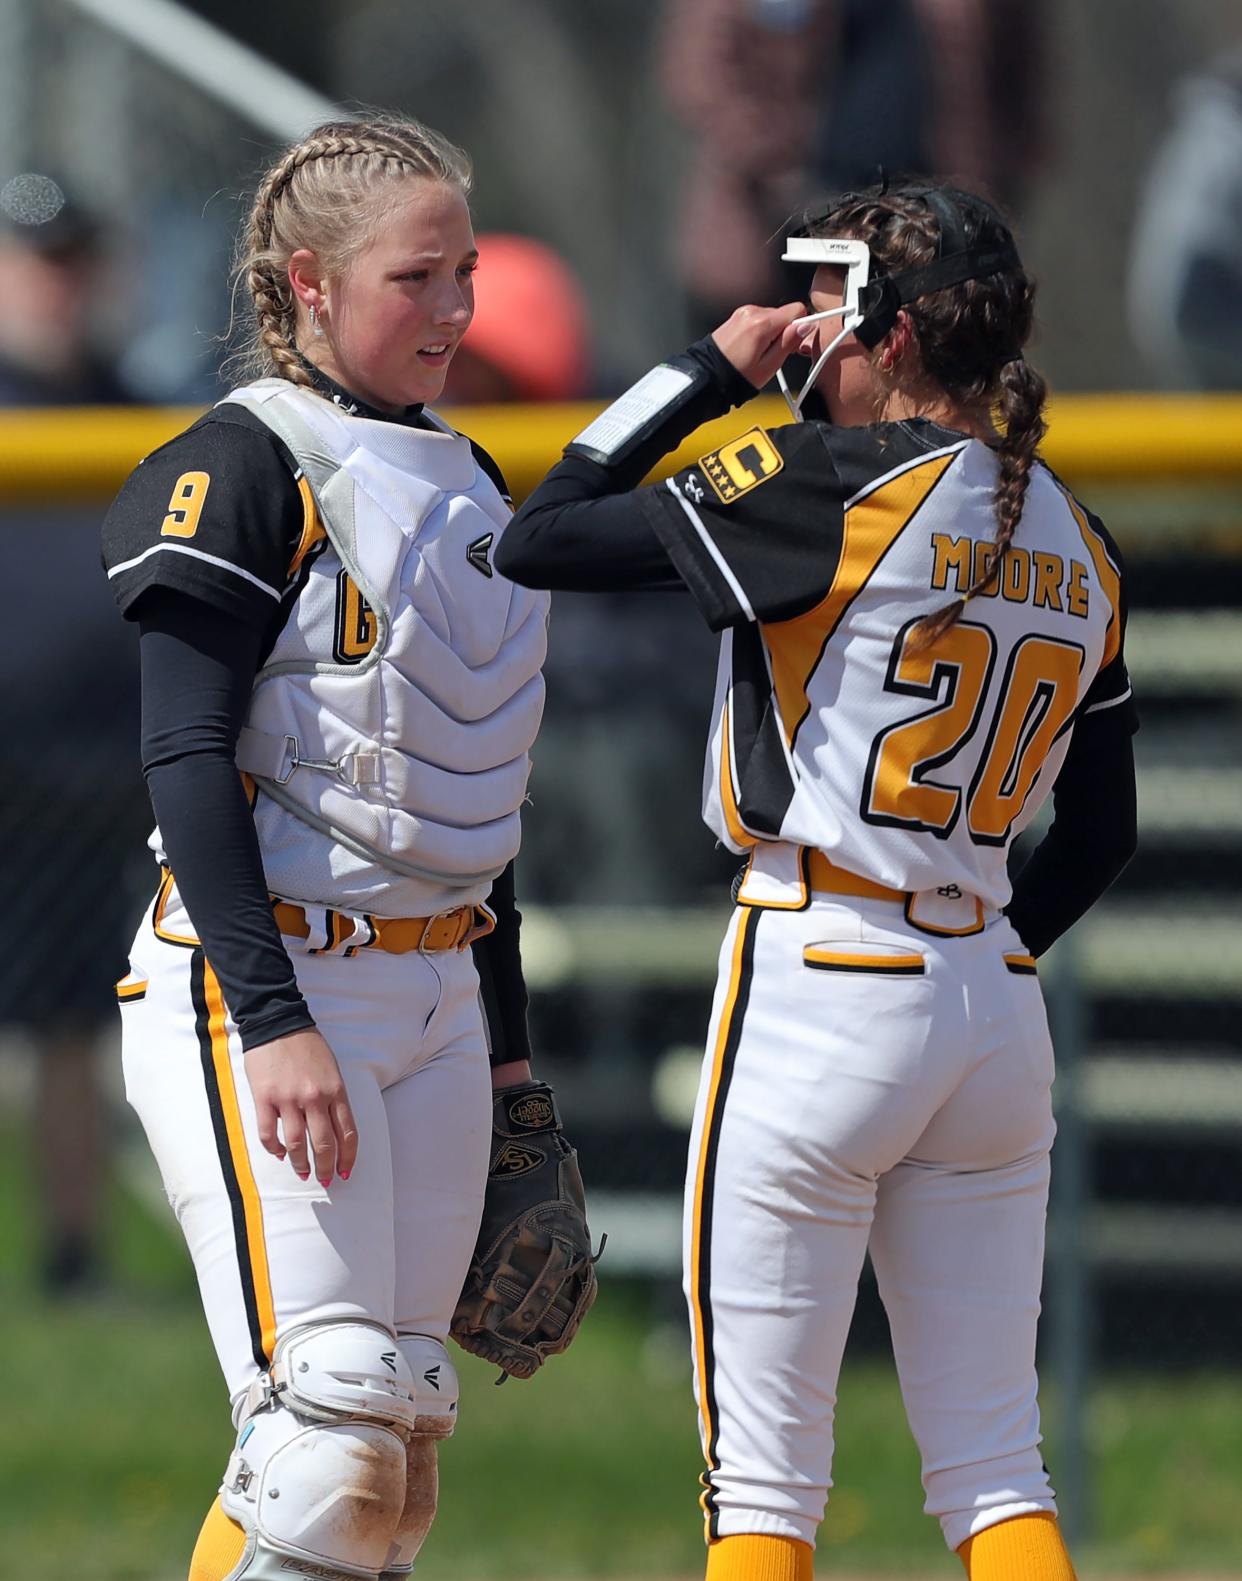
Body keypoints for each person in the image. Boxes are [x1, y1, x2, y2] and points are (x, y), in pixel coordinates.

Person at [495, 180, 1138, 1581]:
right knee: (994, 1464)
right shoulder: (1076, 538)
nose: (801, 334)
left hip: (824, 965)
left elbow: (537, 531)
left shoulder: (822, 488)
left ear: (884, 331)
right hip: (988, 990)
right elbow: (1099, 834)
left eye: (824, 308)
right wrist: (973, 949)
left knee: (765, 1483)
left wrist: (700, 373)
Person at [101, 115, 594, 1581]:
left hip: (438, 996)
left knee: (396, 1457)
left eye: (468, 272)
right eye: (416, 278)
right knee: (323, 1436)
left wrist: (504, 1060)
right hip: (267, 982)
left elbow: (466, 802)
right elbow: (184, 756)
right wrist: (272, 1019)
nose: (455, 310)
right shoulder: (244, 463)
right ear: (308, 281)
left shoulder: (471, 478)